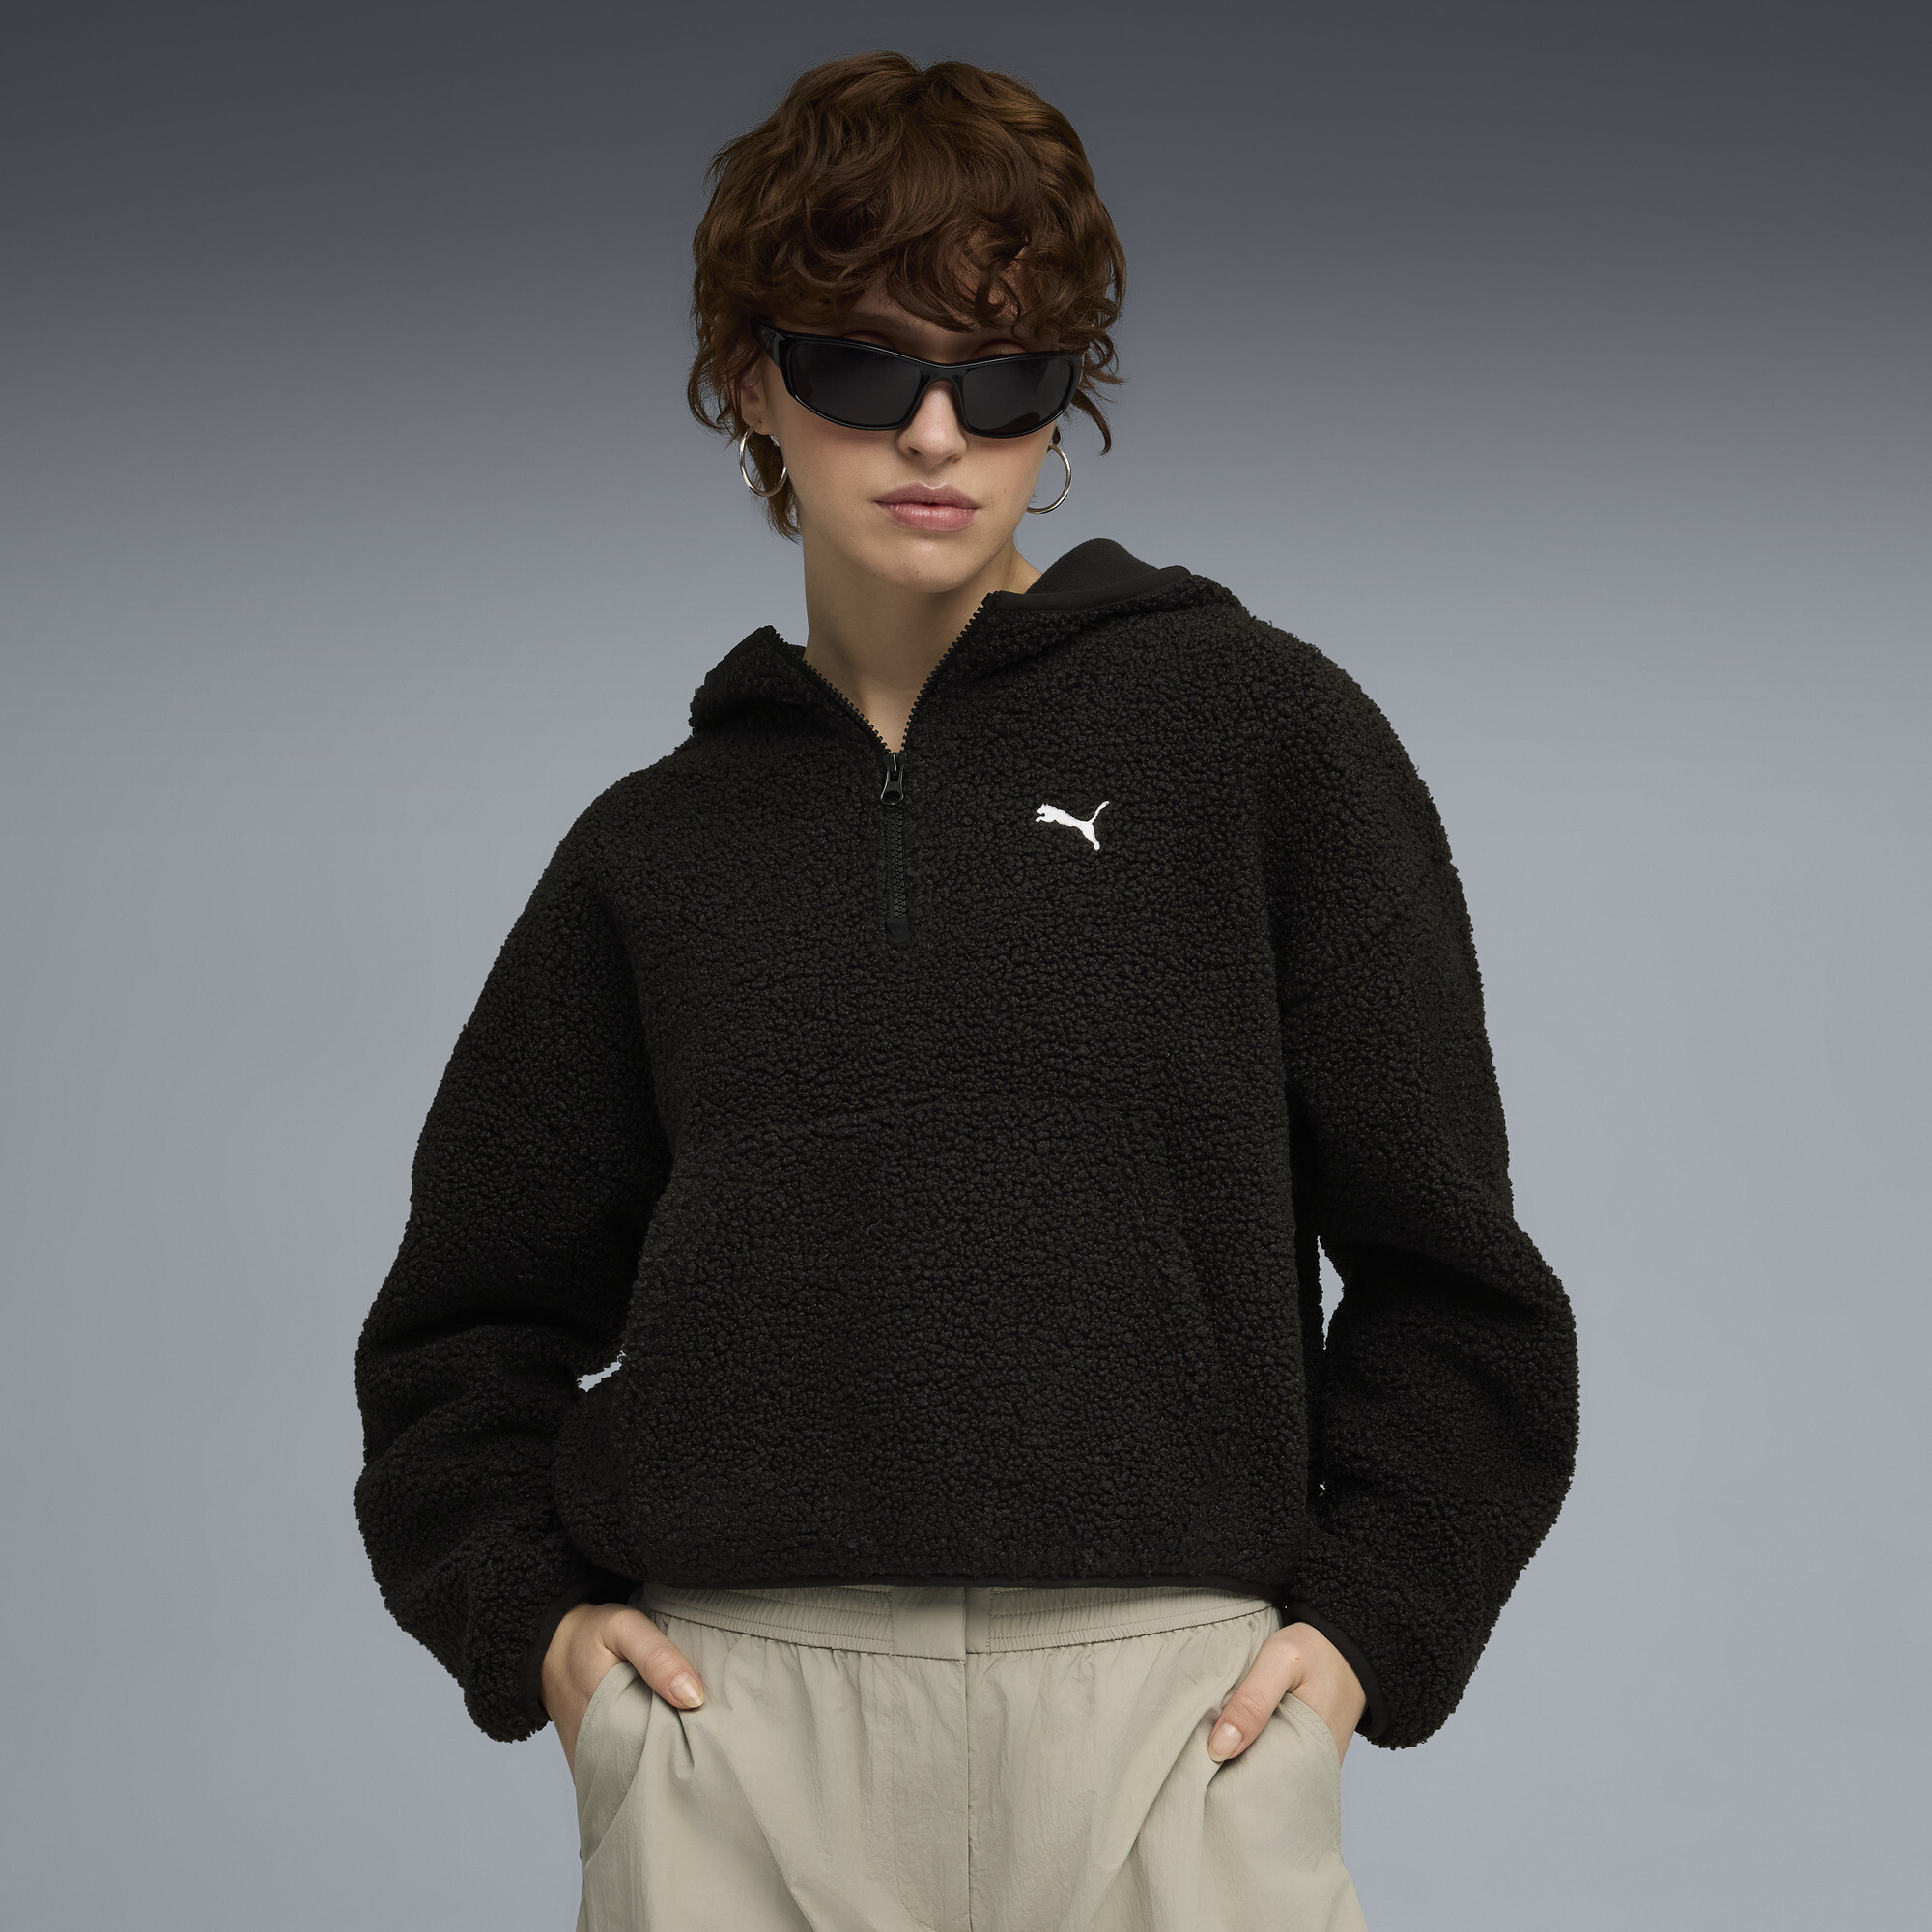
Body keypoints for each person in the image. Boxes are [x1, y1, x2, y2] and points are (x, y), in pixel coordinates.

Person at [354, 50, 1578, 1932]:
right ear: (751, 380)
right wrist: (542, 1636)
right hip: (738, 1736)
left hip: (1169, 1732)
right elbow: (458, 1328)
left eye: (1001, 376)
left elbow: (1456, 1279)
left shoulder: (1257, 736)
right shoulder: (655, 850)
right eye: (865, 367)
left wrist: (1363, 1634)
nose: (934, 434)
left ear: (1058, 405)